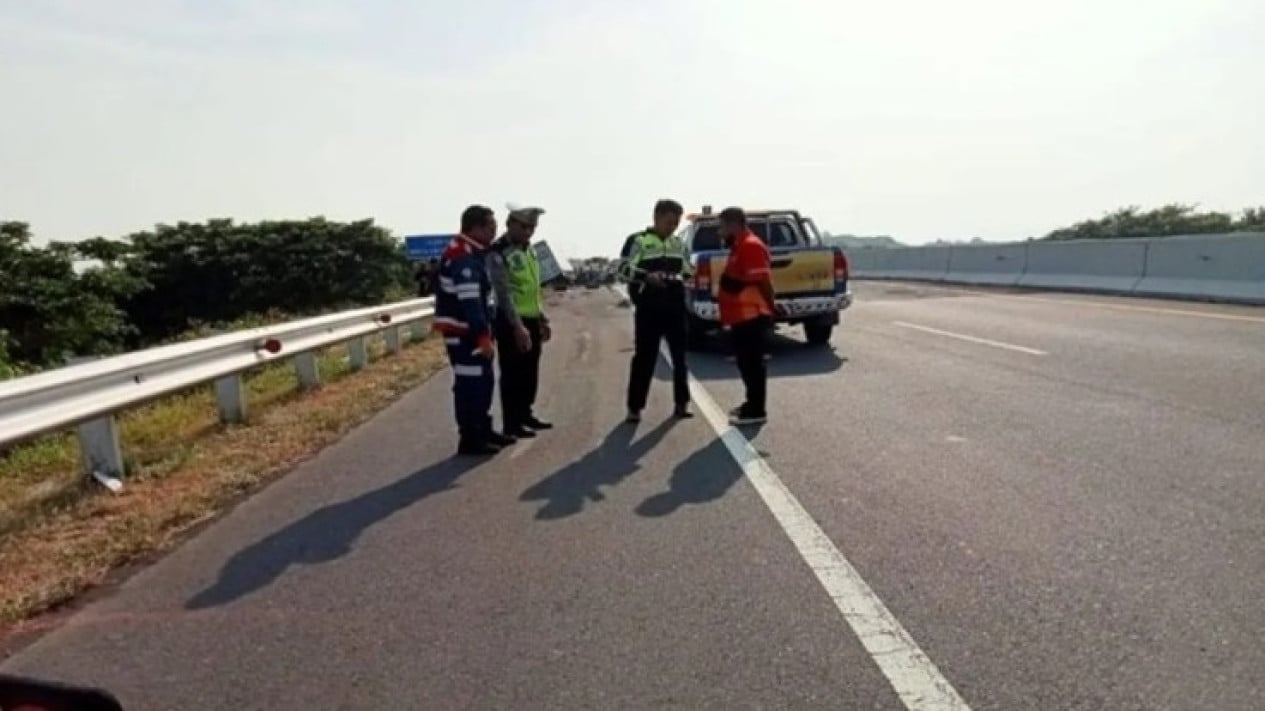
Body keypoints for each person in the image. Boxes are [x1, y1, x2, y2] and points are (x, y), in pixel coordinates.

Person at [432, 205, 516, 455]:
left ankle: (483, 429)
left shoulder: (474, 252)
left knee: (484, 381)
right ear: (476, 228)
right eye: (491, 226)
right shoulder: (463, 257)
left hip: (471, 332)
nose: (495, 230)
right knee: (471, 385)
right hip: (464, 335)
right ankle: (471, 437)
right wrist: (483, 337)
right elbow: (471, 303)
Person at [619, 198, 693, 422]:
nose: (673, 227)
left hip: (674, 305)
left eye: (676, 223)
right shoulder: (638, 241)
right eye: (670, 222)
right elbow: (622, 269)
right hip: (649, 306)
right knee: (644, 358)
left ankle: (682, 403)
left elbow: (688, 269)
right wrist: (646, 277)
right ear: (657, 217)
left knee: (680, 357)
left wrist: (686, 276)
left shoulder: (678, 244)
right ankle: (635, 407)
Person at [487, 203, 553, 439]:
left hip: (532, 318)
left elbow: (532, 289)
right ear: (510, 224)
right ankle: (512, 423)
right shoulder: (499, 251)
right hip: (511, 321)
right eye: (524, 226)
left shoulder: (530, 250)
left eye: (532, 227)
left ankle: (526, 414)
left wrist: (542, 318)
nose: (528, 231)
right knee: (513, 374)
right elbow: (503, 293)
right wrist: (517, 326)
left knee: (529, 372)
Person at [716, 206, 775, 425]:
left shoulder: (750, 246)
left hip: (752, 315)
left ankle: (756, 410)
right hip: (741, 317)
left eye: (721, 227)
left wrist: (771, 307)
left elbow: (762, 281)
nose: (719, 233)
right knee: (745, 363)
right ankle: (751, 404)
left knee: (752, 364)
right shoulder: (738, 247)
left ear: (733, 225)